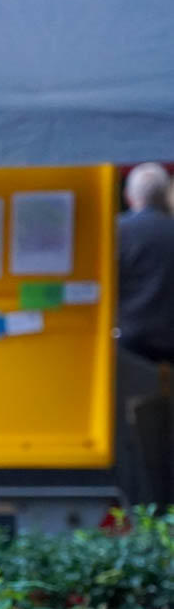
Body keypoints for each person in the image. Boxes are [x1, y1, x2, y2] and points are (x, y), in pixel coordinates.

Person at [114, 163, 174, 505]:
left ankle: (147, 507)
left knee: (136, 437)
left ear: (129, 196)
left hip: (131, 351)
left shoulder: (118, 233)